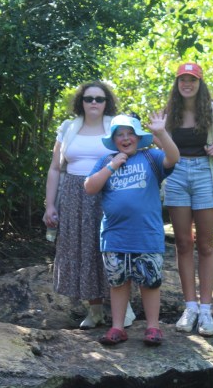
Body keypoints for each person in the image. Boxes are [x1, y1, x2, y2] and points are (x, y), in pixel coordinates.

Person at [43, 81, 135, 329]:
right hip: (73, 195)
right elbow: (55, 168)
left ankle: (124, 308)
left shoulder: (115, 127)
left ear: (107, 102)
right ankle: (95, 310)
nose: (94, 103)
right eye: (88, 98)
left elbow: (132, 156)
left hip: (109, 193)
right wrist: (50, 204)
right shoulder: (68, 128)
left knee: (112, 249)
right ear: (80, 102)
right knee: (82, 250)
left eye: (100, 99)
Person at [163, 62, 213, 337]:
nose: (187, 84)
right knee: (183, 242)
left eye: (192, 80)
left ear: (200, 83)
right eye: (182, 80)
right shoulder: (168, 114)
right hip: (175, 175)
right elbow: (158, 141)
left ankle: (207, 310)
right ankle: (190, 307)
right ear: (176, 84)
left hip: (204, 174)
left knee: (206, 244)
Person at [84, 113, 179, 346]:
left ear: (138, 137)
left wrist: (162, 133)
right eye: (120, 135)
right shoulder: (106, 160)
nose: (125, 138)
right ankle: (117, 327)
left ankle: (153, 327)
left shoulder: (151, 157)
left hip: (146, 234)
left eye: (130, 134)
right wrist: (112, 165)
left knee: (150, 281)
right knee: (118, 282)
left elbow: (174, 158)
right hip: (115, 236)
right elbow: (89, 187)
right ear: (113, 139)